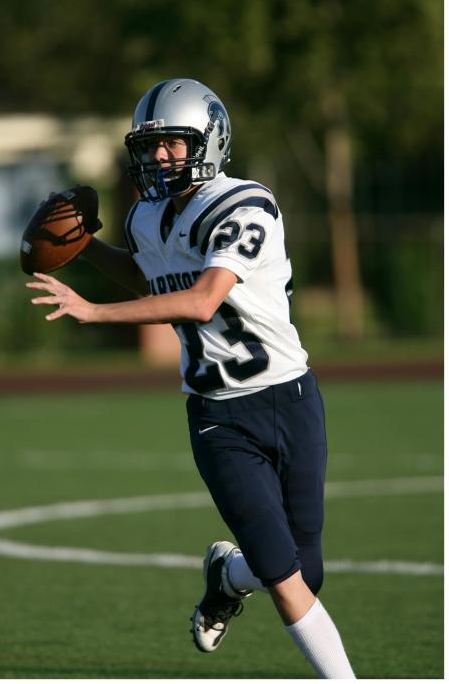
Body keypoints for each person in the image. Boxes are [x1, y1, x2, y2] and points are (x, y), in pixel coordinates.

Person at [27, 78, 356, 679]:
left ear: (209, 141)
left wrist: (93, 311)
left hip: (291, 397)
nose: (159, 157)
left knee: (305, 573)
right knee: (286, 582)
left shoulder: (245, 205)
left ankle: (227, 575)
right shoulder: (147, 218)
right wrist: (84, 249)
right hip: (218, 415)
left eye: (174, 144)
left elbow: (203, 300)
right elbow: (152, 281)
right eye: (151, 146)